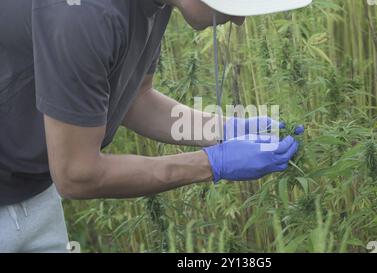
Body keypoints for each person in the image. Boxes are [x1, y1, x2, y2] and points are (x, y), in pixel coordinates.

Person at [0, 0, 312, 252]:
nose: (241, 19)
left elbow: (135, 99)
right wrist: (211, 162)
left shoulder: (152, 5)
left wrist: (223, 130)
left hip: (33, 191)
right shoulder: (86, 15)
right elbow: (76, 174)